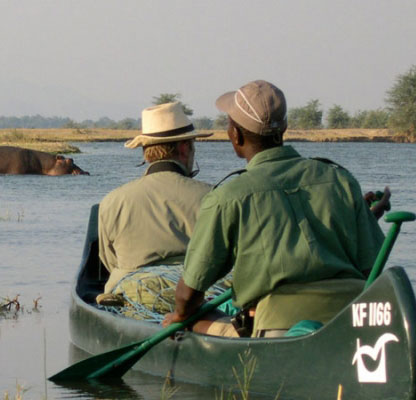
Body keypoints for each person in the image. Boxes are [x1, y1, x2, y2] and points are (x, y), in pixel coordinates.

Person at [164, 80, 390, 337]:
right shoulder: (341, 179)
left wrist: (179, 317)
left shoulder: (227, 198)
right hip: (350, 321)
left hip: (276, 329)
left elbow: (188, 295)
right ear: (284, 128)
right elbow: (371, 268)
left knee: (194, 320)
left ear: (235, 135)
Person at [96, 102, 212, 312]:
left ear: (145, 151)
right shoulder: (214, 197)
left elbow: (109, 261)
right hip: (198, 301)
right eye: (193, 146)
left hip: (133, 300)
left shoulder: (112, 201)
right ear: (184, 148)